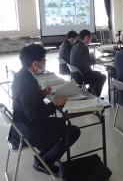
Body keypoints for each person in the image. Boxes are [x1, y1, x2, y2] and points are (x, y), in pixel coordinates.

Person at [9, 44, 80, 175]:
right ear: (35, 64)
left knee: (63, 124)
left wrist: (42, 93)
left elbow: (27, 100)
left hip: (22, 124)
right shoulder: (27, 82)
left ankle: (41, 157)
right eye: (43, 60)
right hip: (31, 130)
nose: (45, 62)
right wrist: (55, 103)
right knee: (73, 131)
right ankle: (45, 161)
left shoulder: (22, 75)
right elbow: (34, 116)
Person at [70, 29, 106, 97]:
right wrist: (96, 60)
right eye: (89, 37)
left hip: (75, 75)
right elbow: (87, 63)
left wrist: (89, 57)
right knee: (102, 77)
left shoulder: (75, 45)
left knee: (98, 74)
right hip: (82, 76)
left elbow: (81, 59)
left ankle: (91, 93)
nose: (90, 38)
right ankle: (94, 96)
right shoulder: (84, 47)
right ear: (86, 37)